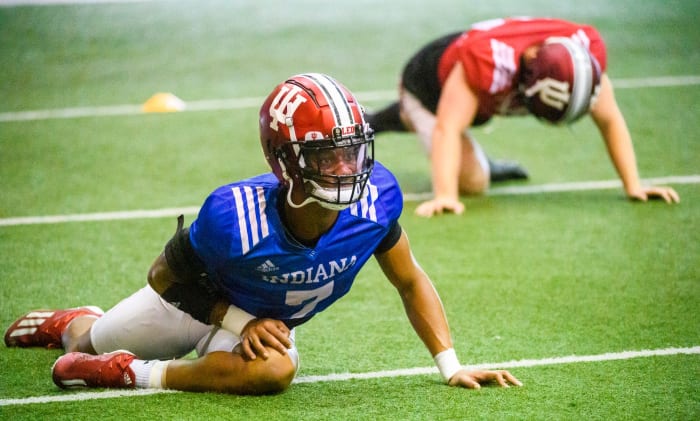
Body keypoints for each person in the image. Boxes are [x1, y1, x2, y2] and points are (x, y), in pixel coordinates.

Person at [4, 73, 522, 394]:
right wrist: (238, 318)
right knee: (85, 344)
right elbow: (163, 277)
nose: (346, 169)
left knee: (272, 372)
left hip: (260, 328)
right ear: (285, 162)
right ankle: (77, 320)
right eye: (327, 156)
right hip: (193, 302)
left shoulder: (376, 199)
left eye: (352, 151)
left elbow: (410, 280)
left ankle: (129, 374)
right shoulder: (234, 216)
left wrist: (450, 365)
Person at [366, 17, 680, 217]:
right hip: (425, 87)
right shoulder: (488, 62)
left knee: (469, 120)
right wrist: (446, 195)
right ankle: (399, 115)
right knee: (473, 182)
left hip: (476, 102)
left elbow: (609, 118)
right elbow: (447, 128)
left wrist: (634, 185)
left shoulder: (582, 60)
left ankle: (398, 121)